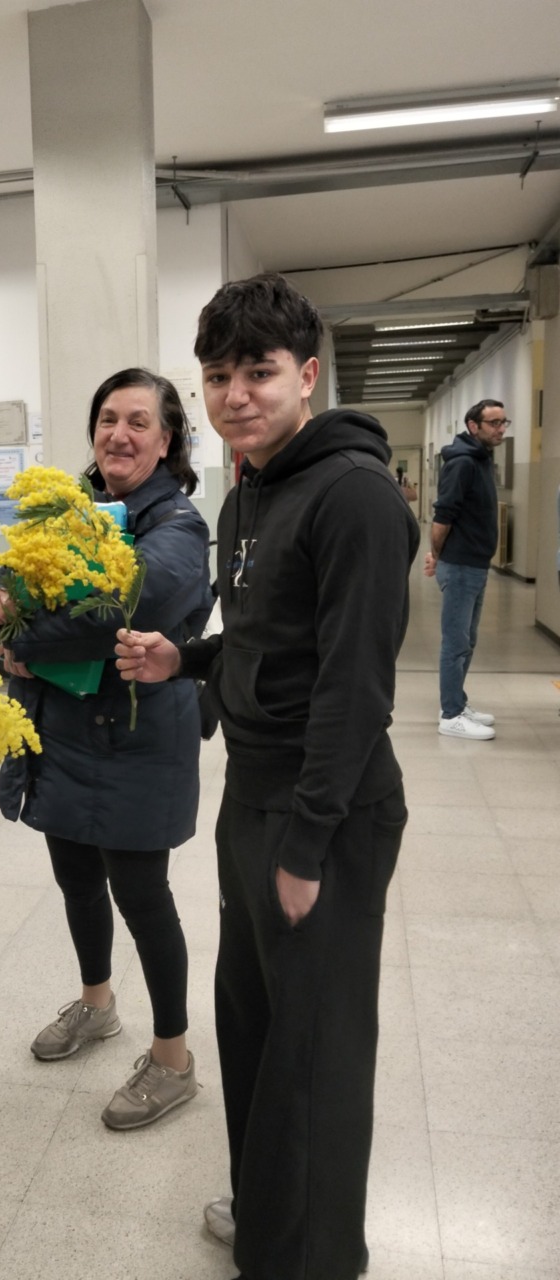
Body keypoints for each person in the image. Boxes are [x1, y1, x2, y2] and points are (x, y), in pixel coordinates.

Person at [115, 274, 419, 1280]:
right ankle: (266, 1214)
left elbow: (354, 688)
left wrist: (307, 843)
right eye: (218, 376)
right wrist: (185, 658)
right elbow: (260, 636)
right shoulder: (250, 487)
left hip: (324, 805)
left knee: (316, 1050)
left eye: (259, 372)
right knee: (252, 1024)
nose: (236, 394)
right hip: (252, 794)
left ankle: (315, 1254)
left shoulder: (355, 496)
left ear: (308, 375)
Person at [0, 368, 212, 1129]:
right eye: (109, 418)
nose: (120, 434)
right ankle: (97, 1003)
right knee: (76, 878)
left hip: (138, 736)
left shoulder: (178, 526)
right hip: (66, 731)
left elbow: (120, 608)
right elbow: (7, 573)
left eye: (139, 422)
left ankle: (172, 1059)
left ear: (166, 441)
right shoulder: (69, 508)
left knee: (143, 896)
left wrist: (19, 640)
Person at [424, 399, 509, 740]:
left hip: (474, 565)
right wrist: (437, 555)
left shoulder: (481, 458)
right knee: (456, 643)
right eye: (493, 423)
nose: (501, 429)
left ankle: (457, 701)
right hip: (460, 566)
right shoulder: (462, 463)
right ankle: (451, 715)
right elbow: (443, 515)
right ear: (474, 426)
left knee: (467, 641)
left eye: (503, 422)